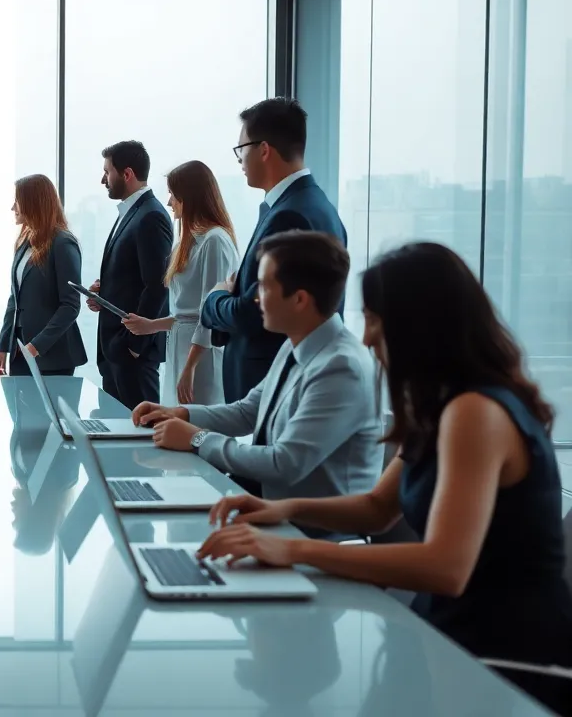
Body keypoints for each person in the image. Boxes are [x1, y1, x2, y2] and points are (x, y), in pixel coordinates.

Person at [199, 242, 572, 714]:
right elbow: (377, 508)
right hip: (447, 631)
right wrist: (282, 509)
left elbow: (445, 567)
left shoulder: (476, 413)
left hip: (504, 655)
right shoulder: (441, 405)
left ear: (420, 325)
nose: (369, 337)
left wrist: (292, 549)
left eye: (376, 320)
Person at [132, 231, 379, 518]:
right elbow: (246, 412)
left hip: (307, 530)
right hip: (267, 511)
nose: (255, 299)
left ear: (299, 299)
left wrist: (197, 439)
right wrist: (179, 413)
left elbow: (284, 463)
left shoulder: (341, 367)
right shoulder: (296, 345)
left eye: (263, 287)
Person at [202, 97, 346, 403]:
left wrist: (214, 298)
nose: (240, 160)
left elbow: (253, 312)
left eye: (241, 149)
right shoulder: (313, 205)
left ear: (264, 149)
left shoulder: (288, 215)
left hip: (271, 386)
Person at [119, 161, 239, 405]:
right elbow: (185, 314)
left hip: (200, 358)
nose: (169, 202)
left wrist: (190, 367)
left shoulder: (214, 241)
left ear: (189, 197)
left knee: (197, 420)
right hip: (181, 350)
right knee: (176, 418)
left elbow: (208, 315)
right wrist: (151, 325)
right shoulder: (187, 243)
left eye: (173, 194)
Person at [87, 140, 172, 408]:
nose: (103, 179)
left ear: (127, 174)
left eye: (107, 171)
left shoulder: (151, 216)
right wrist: (103, 292)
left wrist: (135, 345)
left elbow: (158, 285)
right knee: (116, 427)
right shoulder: (131, 213)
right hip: (116, 351)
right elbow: (132, 276)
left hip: (132, 354)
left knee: (141, 428)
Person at [0, 173, 87, 377]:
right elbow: (14, 299)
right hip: (20, 351)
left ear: (32, 203)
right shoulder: (25, 242)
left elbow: (70, 305)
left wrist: (36, 346)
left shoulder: (63, 243)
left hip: (52, 354)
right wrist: (3, 346)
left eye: (17, 201)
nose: (13, 208)